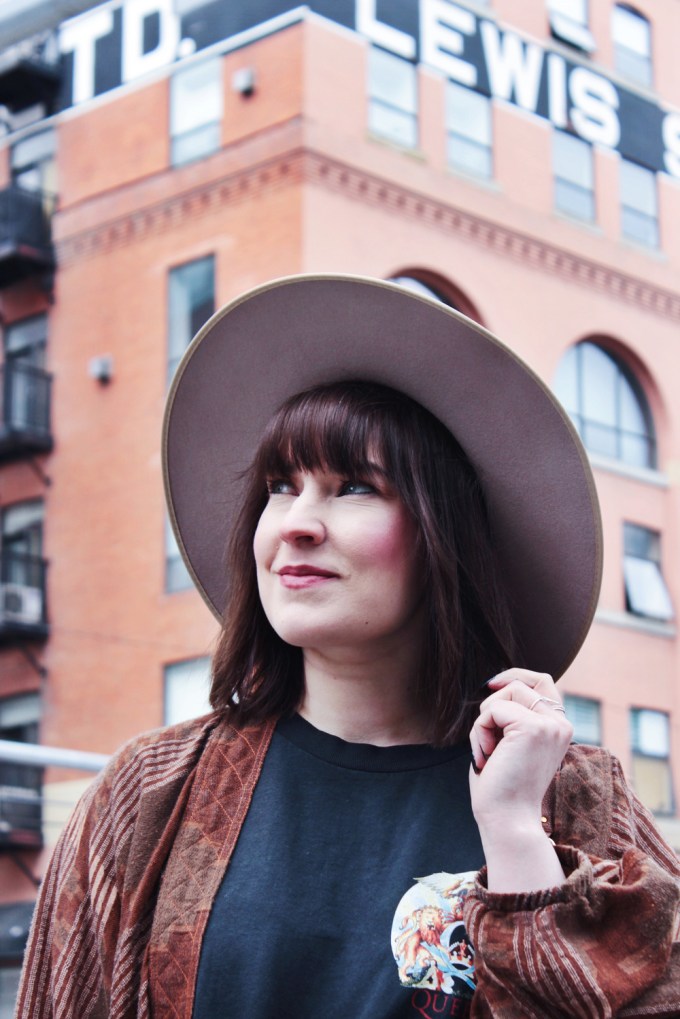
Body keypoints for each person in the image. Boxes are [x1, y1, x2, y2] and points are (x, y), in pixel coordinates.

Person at [16, 275, 680, 1019]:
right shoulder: (147, 795)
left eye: (355, 487)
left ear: (443, 537)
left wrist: (519, 838)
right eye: (279, 486)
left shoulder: (578, 799)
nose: (296, 522)